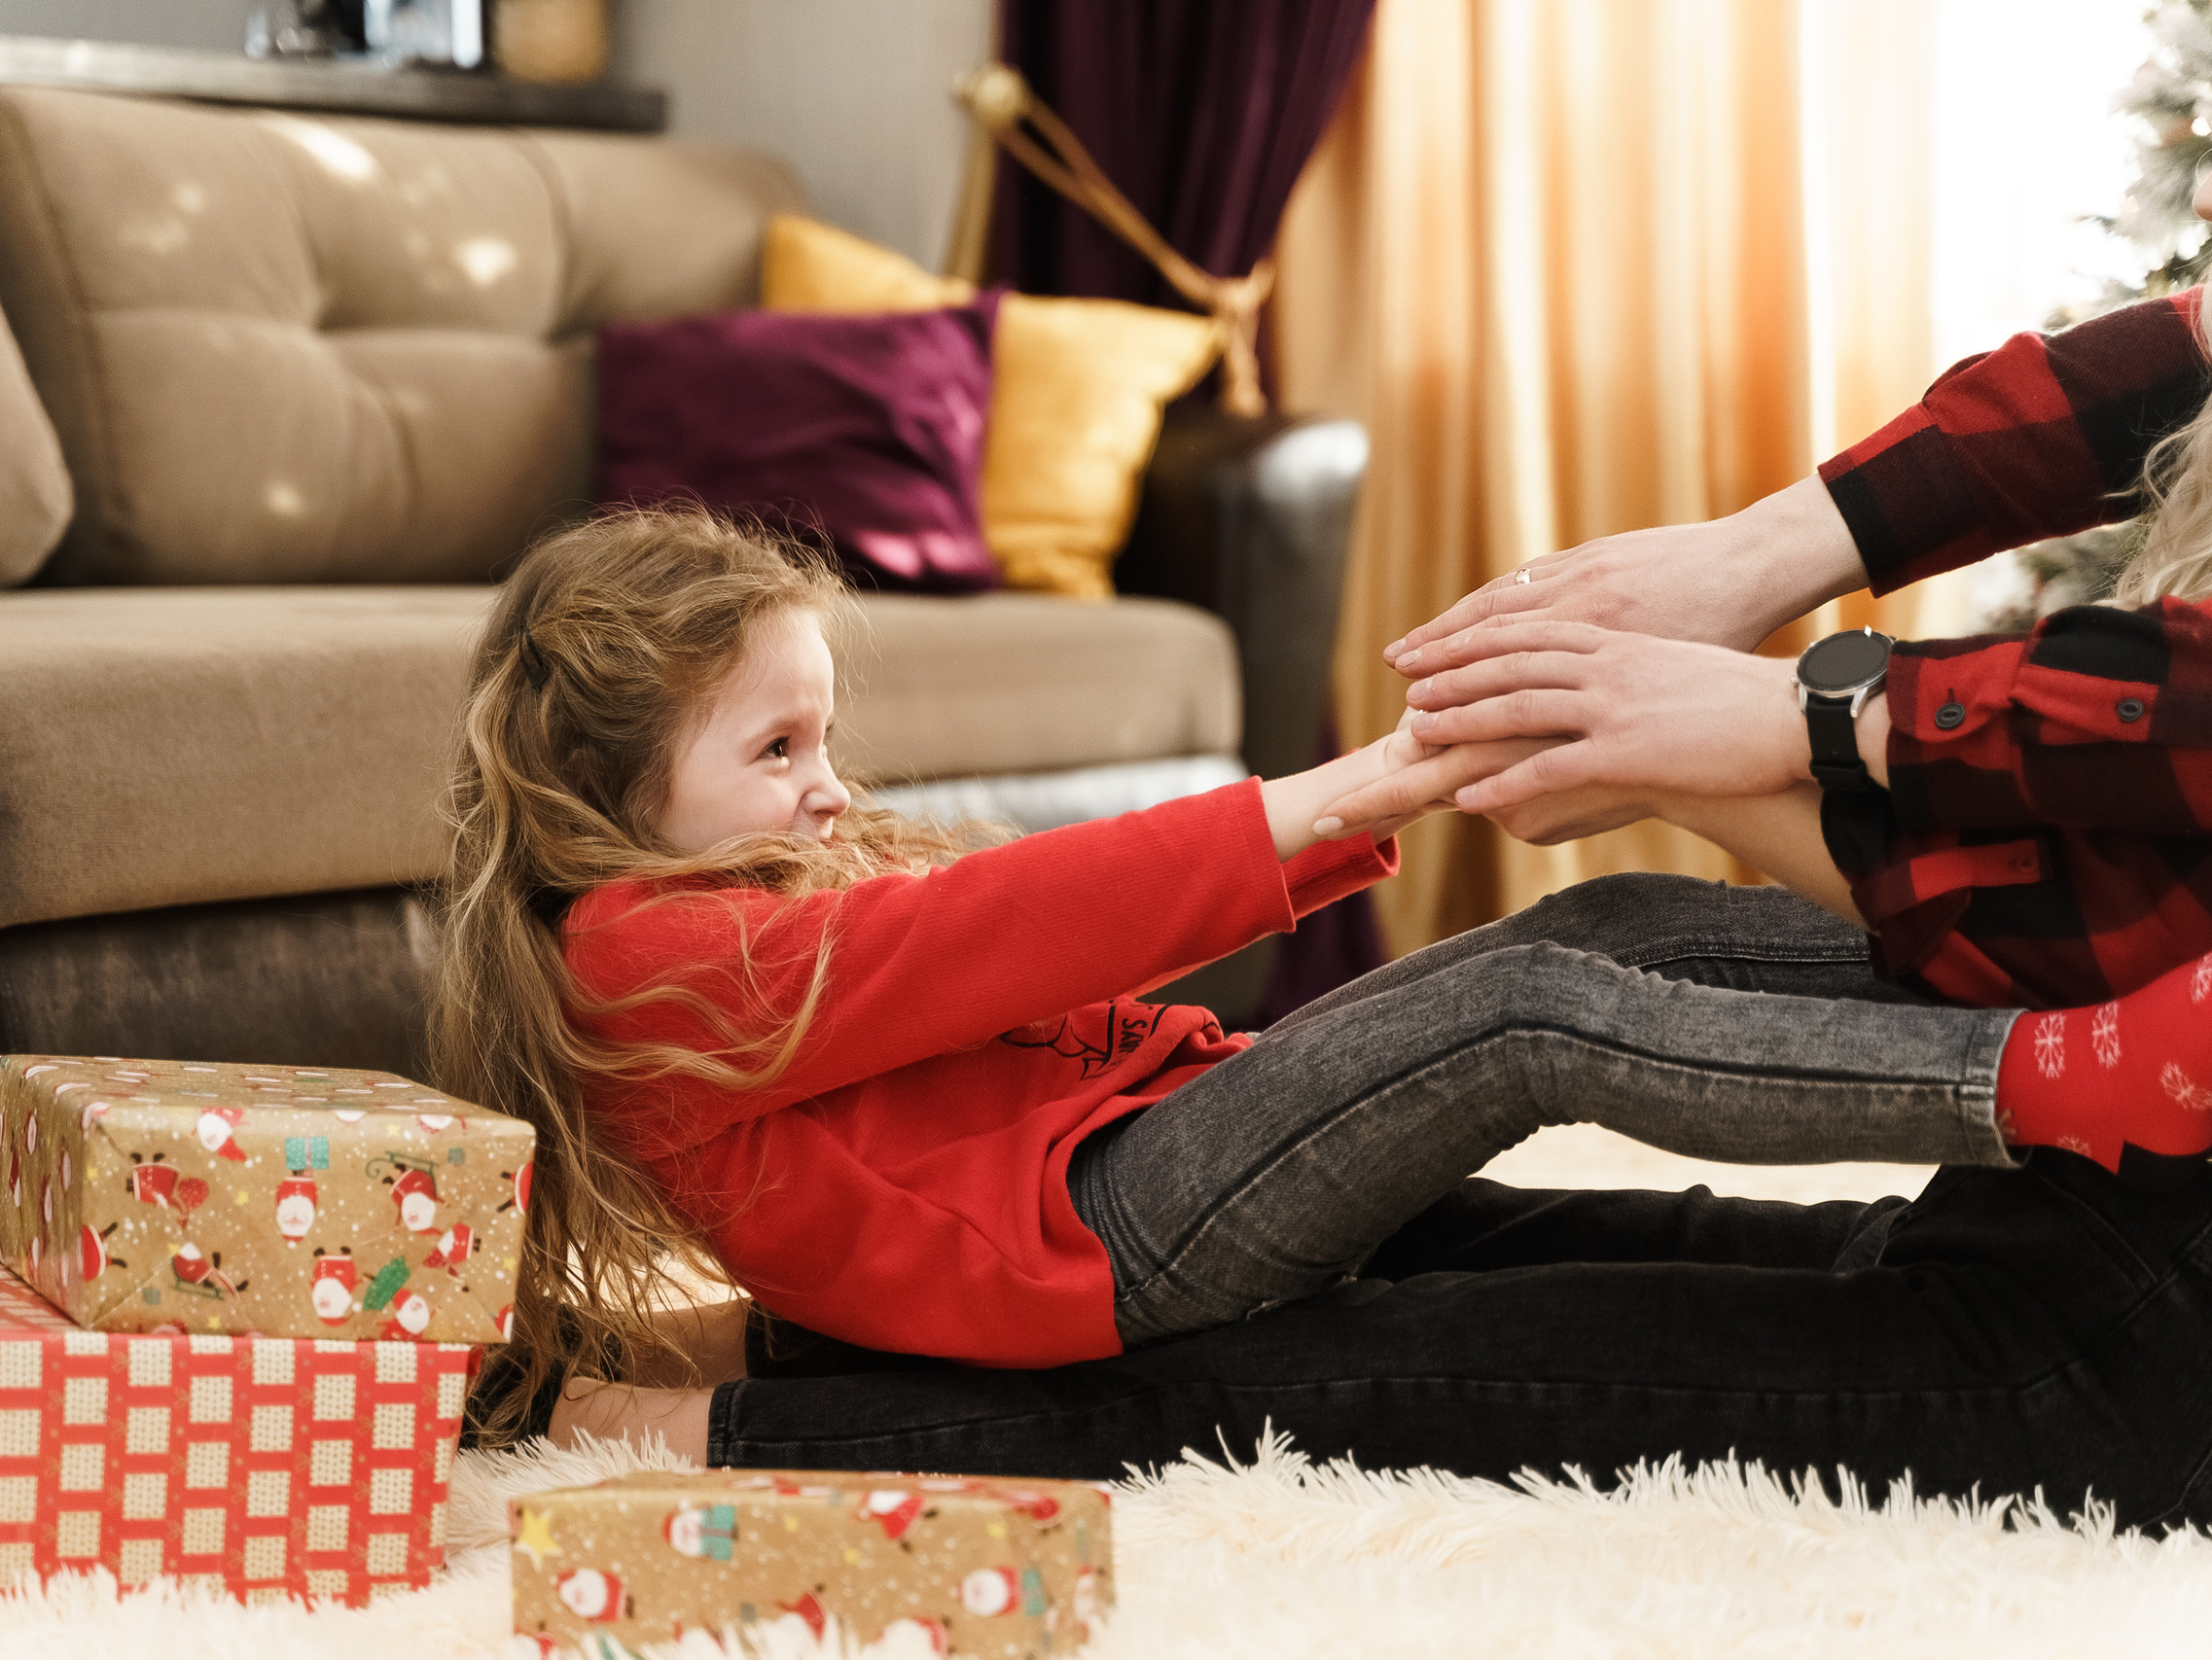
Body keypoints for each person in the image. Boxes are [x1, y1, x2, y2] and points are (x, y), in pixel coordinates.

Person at [465, 276, 2212, 1531]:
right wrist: (1349, 792)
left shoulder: (726, 911)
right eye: (777, 750)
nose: (829, 790)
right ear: (606, 789)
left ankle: (2040, 1030)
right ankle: (2048, 1077)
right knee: (1526, 1014)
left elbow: (977, 1022)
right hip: (1116, 1227)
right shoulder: (643, 960)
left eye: (820, 741)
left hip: (1138, 1159)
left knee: (1586, 941)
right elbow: (991, 933)